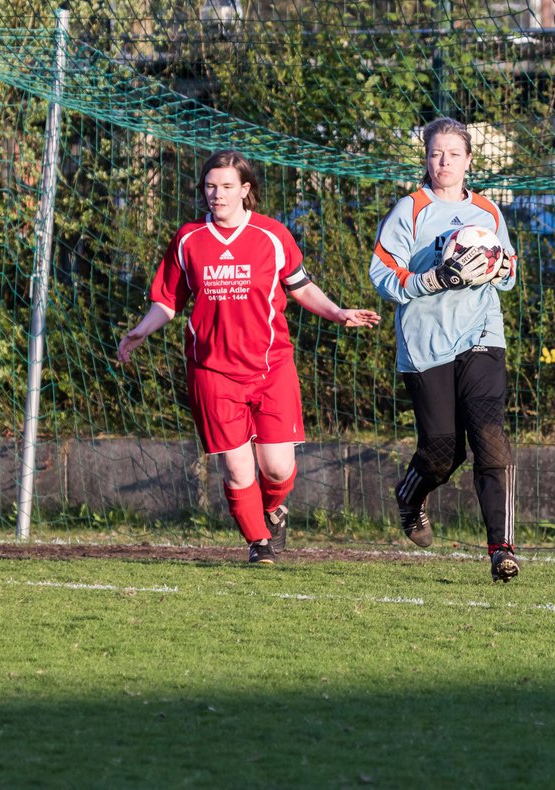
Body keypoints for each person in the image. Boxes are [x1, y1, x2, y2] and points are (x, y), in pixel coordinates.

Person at [117, 149, 380, 564]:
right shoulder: (188, 239)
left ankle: (273, 510)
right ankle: (259, 543)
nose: (216, 194)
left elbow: (301, 287)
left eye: (225, 187)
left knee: (276, 469)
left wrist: (337, 312)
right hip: (213, 371)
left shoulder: (272, 236)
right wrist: (140, 331)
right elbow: (168, 301)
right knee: (238, 471)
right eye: (209, 187)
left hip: (270, 366)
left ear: (245, 190)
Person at [368, 117, 522, 583]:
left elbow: (511, 273)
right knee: (441, 451)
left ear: (469, 160)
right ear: (426, 158)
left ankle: (502, 549)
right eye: (436, 153)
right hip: (425, 345)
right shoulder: (410, 209)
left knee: (489, 438)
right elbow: (381, 275)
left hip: (481, 336)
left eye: (454, 154)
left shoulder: (488, 212)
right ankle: (410, 498)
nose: (444, 162)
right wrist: (432, 279)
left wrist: (493, 271)